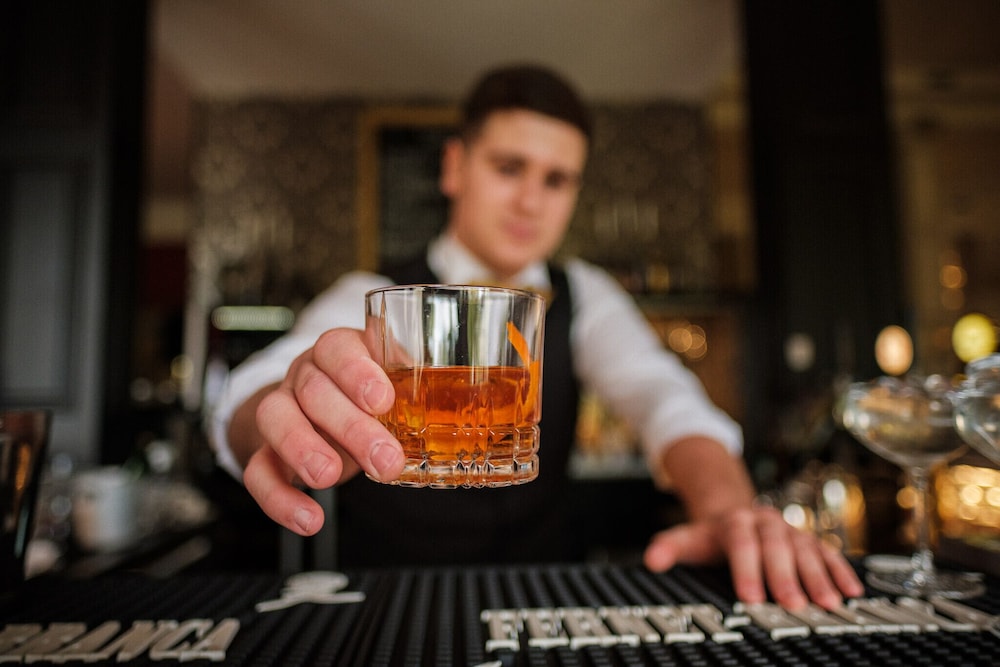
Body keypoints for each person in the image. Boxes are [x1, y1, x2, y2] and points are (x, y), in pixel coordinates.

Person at [210, 64, 864, 610]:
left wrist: (726, 510)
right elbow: (254, 391)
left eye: (557, 180)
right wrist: (279, 414)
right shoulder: (371, 293)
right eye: (509, 167)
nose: (531, 201)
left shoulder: (586, 294)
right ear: (454, 167)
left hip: (541, 599)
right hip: (386, 602)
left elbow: (664, 397)